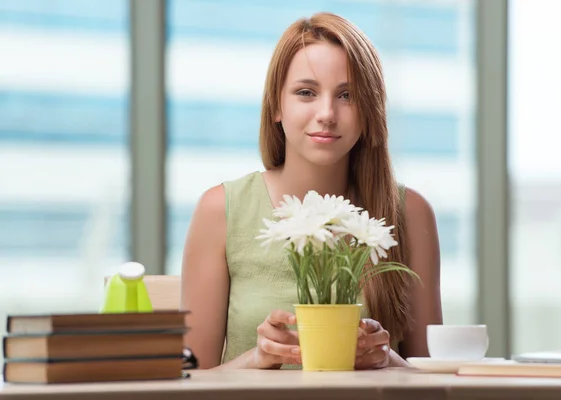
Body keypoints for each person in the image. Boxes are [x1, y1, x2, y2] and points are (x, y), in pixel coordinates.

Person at [181, 12, 442, 370]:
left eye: (347, 95)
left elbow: (434, 384)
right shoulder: (221, 209)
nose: (327, 113)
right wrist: (257, 359)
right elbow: (188, 383)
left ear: (370, 111)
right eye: (306, 92)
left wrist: (386, 358)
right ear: (276, 105)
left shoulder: (409, 212)